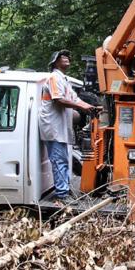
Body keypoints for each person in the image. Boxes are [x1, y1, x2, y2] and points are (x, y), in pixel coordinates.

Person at [39, 49, 93, 202]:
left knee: (63, 159)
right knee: (59, 160)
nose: (66, 58)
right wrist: (83, 108)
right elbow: (58, 99)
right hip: (53, 127)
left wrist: (91, 107)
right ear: (55, 62)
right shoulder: (54, 78)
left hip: (59, 128)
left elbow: (75, 100)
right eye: (62, 57)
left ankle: (65, 190)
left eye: (67, 56)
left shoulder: (64, 80)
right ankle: (62, 195)